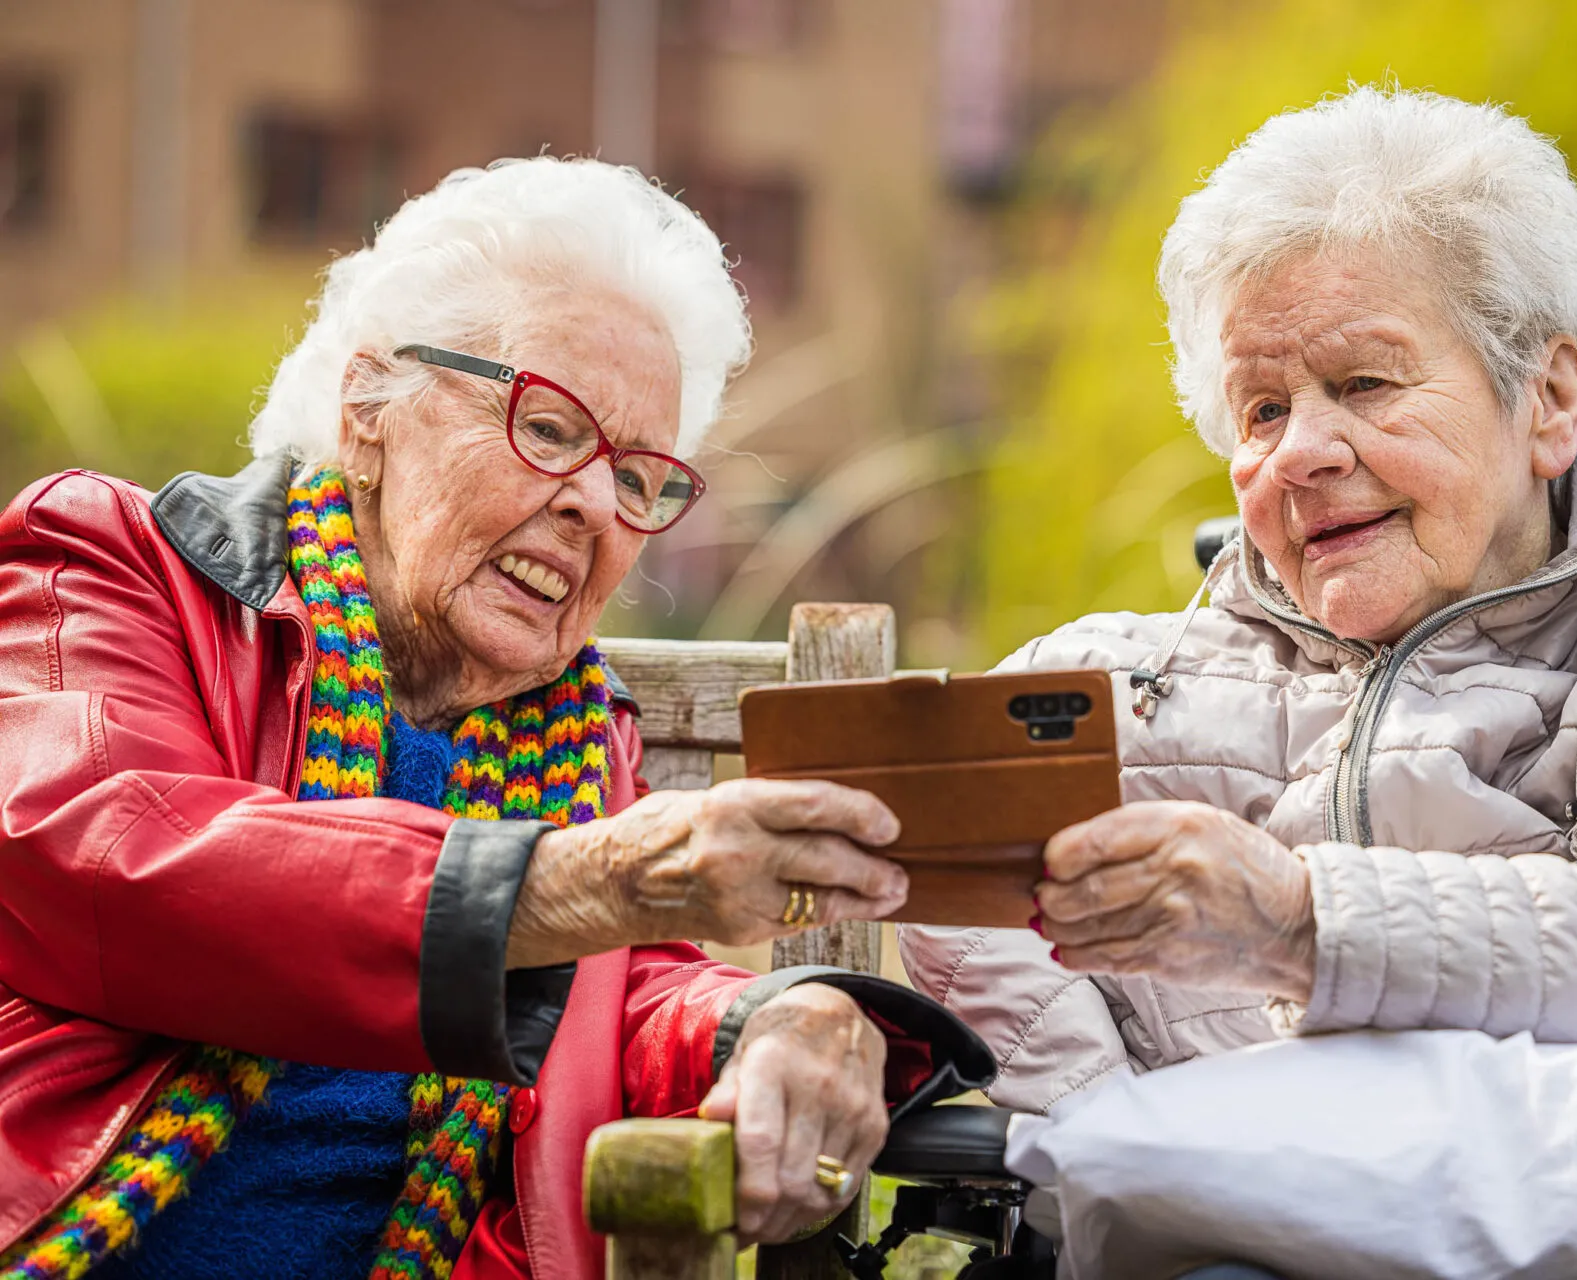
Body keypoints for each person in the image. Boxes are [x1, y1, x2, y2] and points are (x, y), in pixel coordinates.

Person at [0, 157, 988, 1280]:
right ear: (367, 410)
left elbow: (628, 990)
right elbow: (111, 857)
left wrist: (780, 1017)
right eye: (550, 425)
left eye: (639, 474)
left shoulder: (571, 733)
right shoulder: (118, 562)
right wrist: (592, 876)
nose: (590, 502)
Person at [901, 85, 1577, 1115]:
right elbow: (938, 840)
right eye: (1262, 408)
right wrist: (1126, 1149)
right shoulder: (1129, 690)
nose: (1298, 452)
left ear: (1550, 396)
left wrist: (1303, 922)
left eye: (1365, 384)